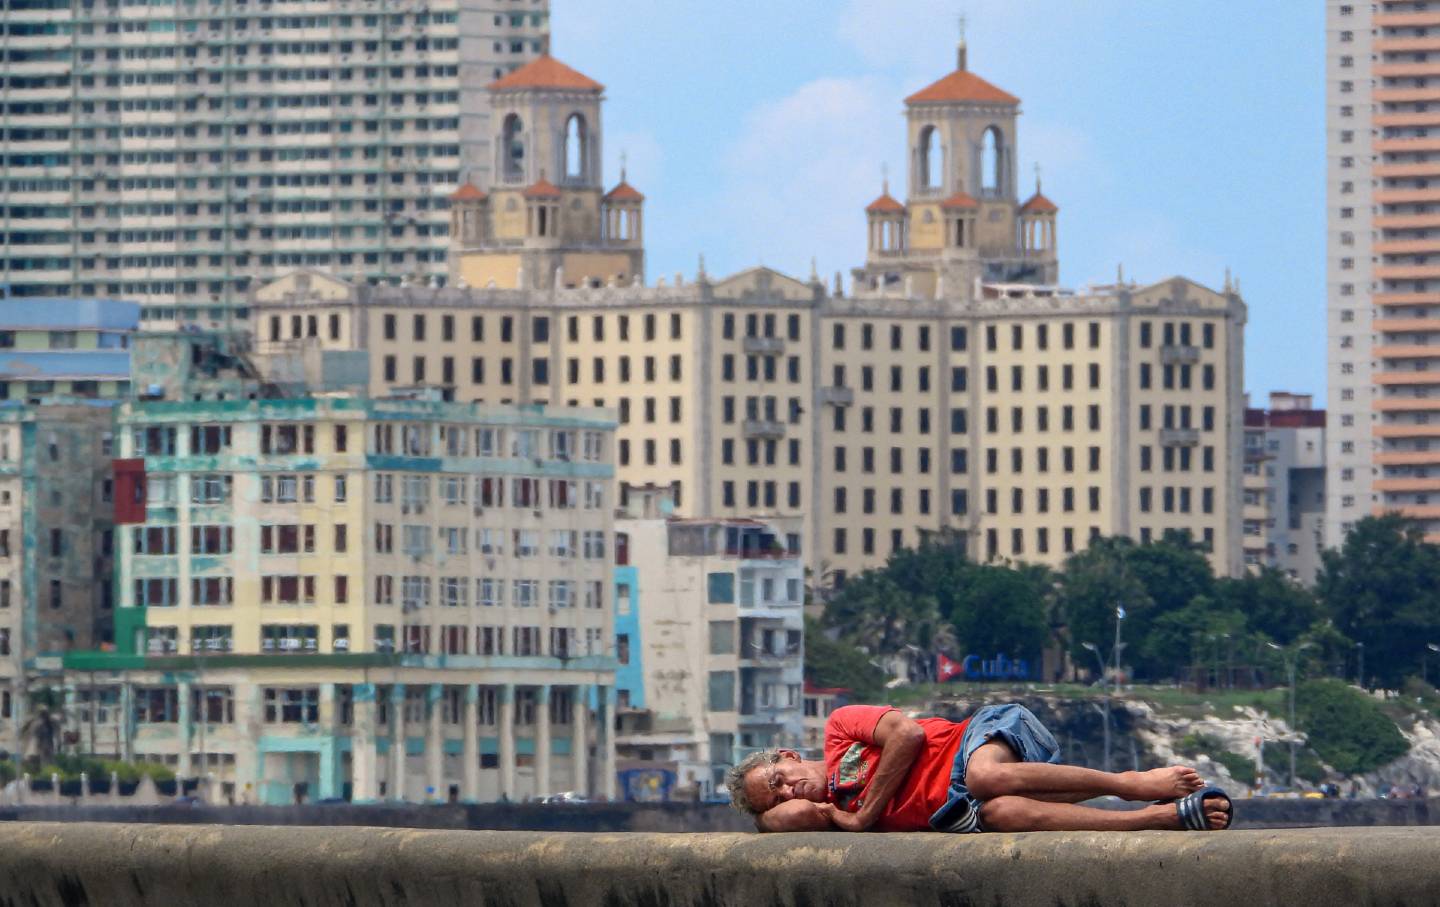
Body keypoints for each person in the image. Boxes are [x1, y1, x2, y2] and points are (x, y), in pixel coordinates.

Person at [728, 703, 1232, 833]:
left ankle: (1131, 784)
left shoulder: (839, 731)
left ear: (789, 756)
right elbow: (777, 822)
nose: (791, 791)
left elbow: (908, 734)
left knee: (987, 779)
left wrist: (865, 814)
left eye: (779, 779)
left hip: (982, 738)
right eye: (780, 797)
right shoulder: (829, 815)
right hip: (968, 806)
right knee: (1003, 814)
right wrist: (771, 809)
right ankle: (1159, 819)